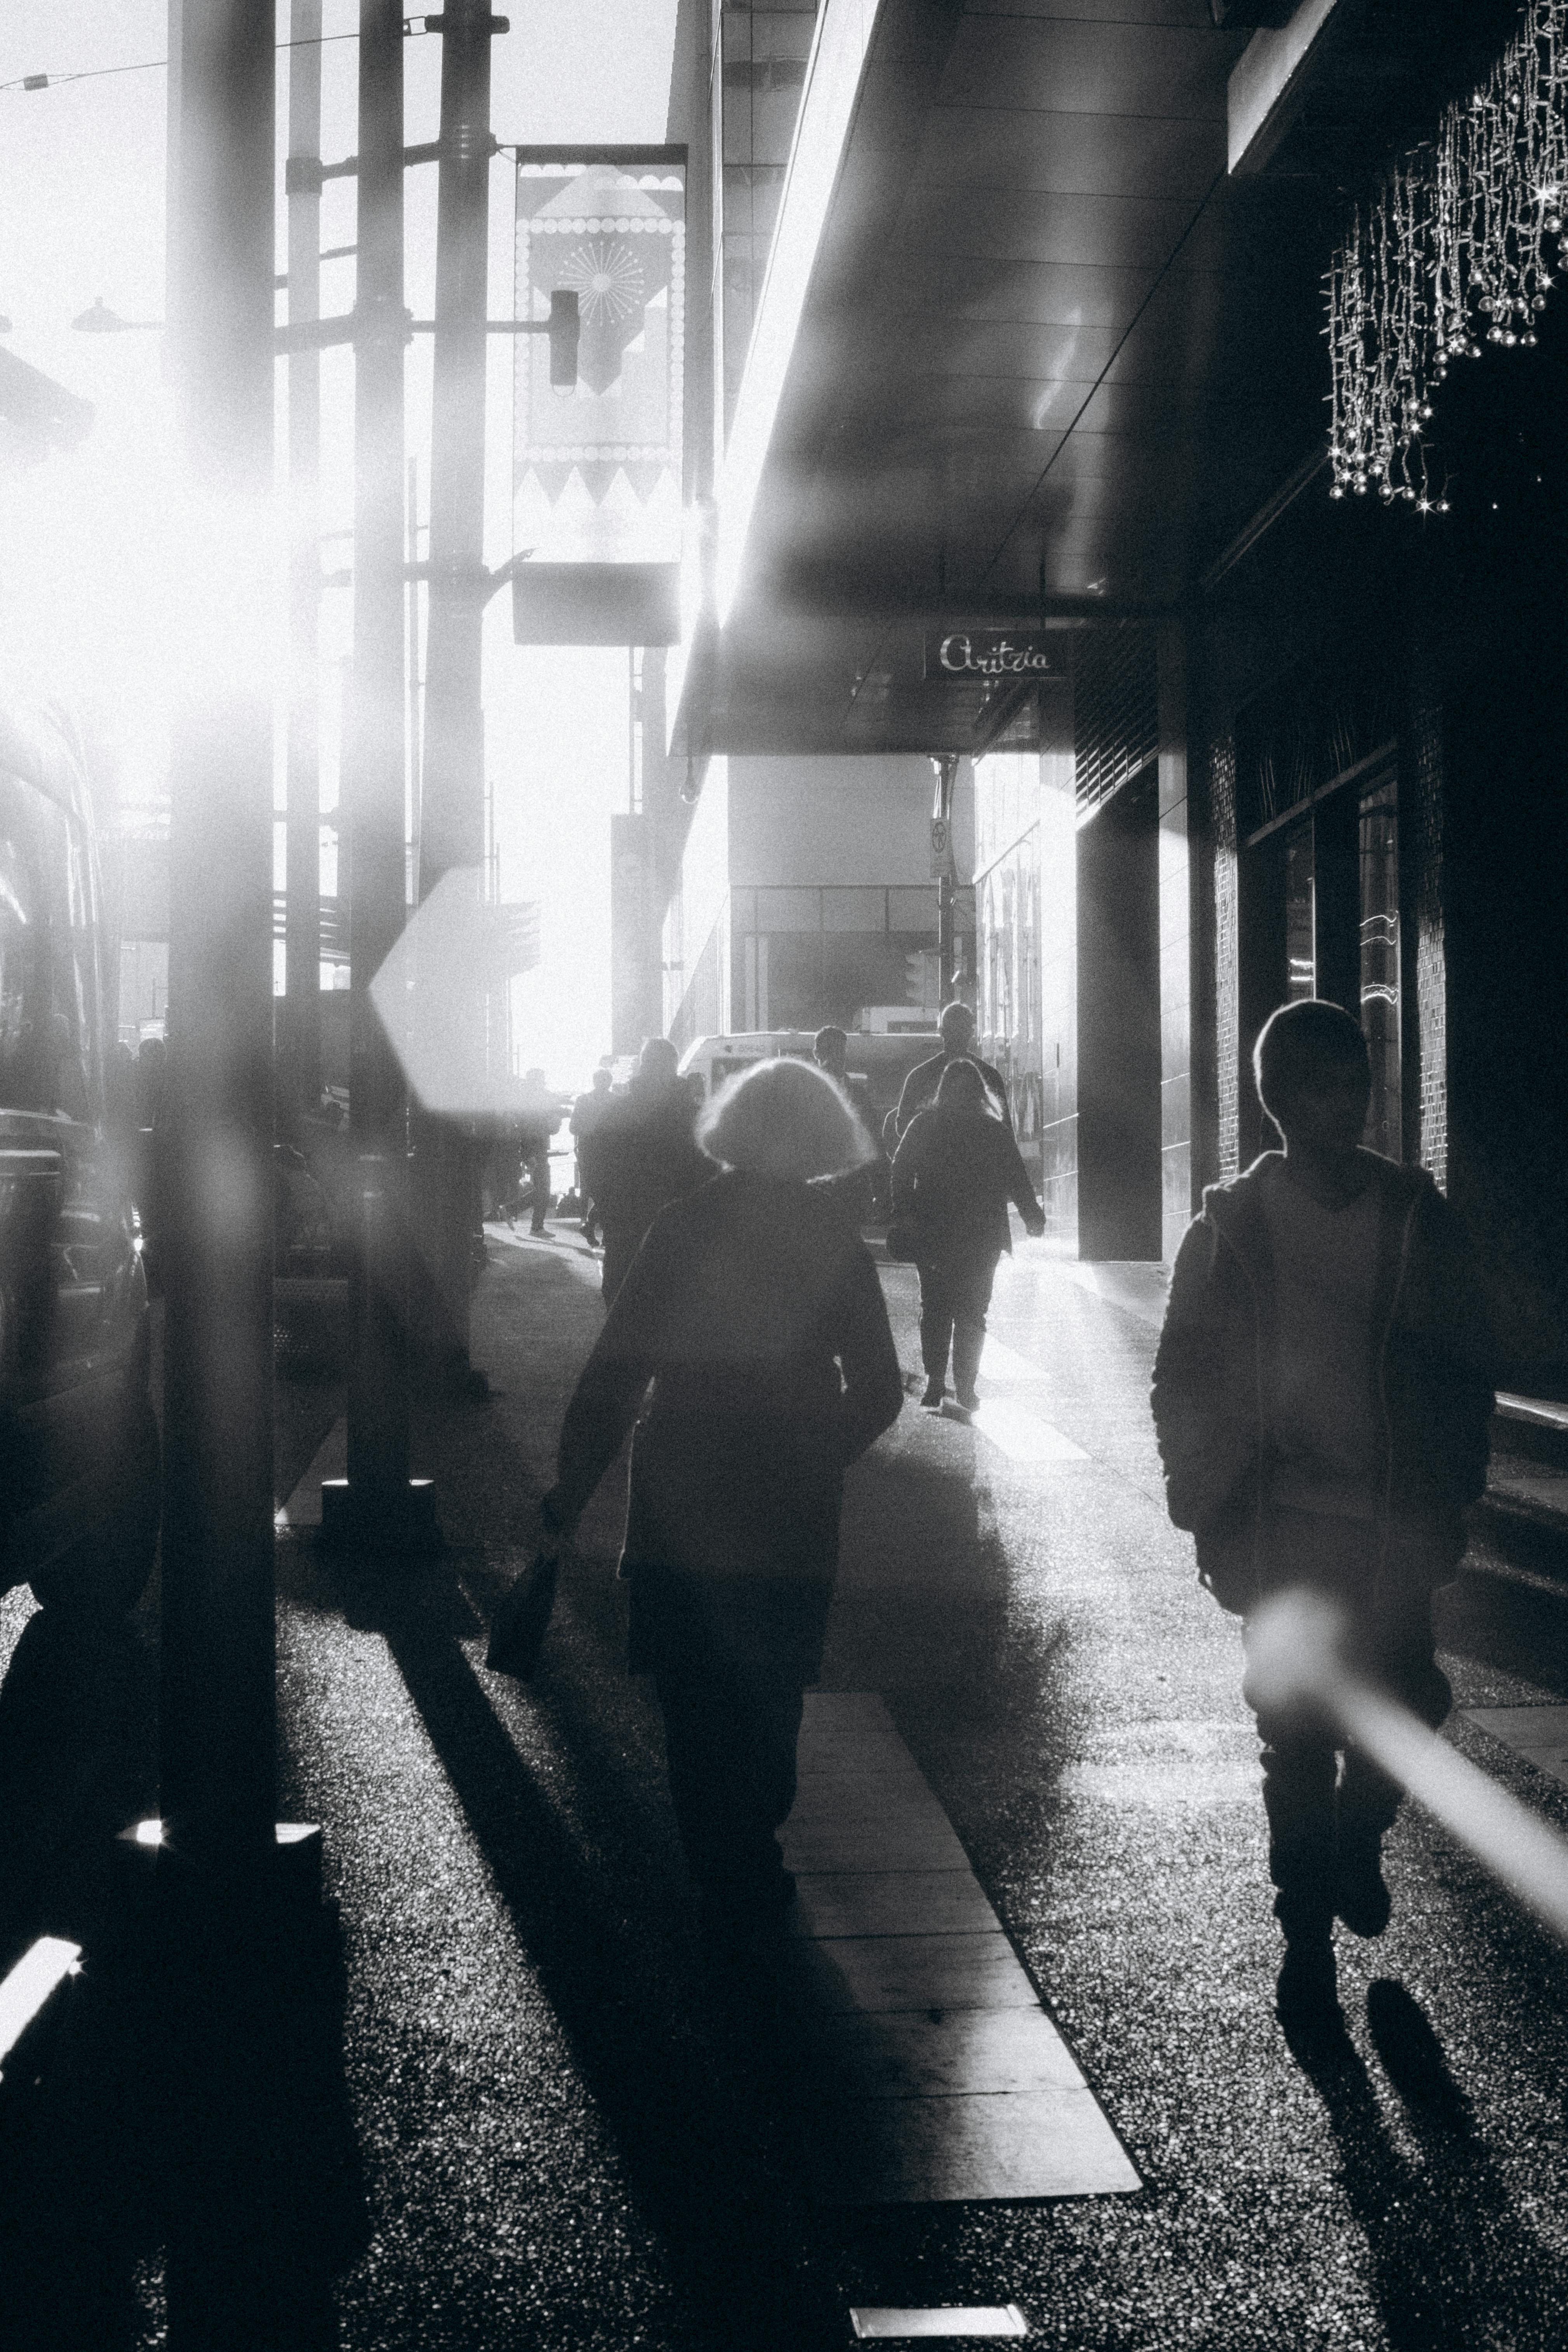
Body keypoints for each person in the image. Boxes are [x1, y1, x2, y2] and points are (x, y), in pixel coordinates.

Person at [1151, 1000, 1493, 2032]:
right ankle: (1301, 1935)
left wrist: (1456, 1487)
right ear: (1276, 1102)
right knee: (1293, 1735)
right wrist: (1196, 1496)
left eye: (1351, 1085)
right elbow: (1181, 1372)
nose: (1341, 1105)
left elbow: (1459, 1358)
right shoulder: (1229, 1224)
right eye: (1317, 1088)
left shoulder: (1409, 1212)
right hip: (1279, 1522)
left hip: (1389, 1520)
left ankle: (1355, 1835)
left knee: (1412, 1703)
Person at [528, 1057, 903, 1962]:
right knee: (771, 1689)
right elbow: (883, 1388)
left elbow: (615, 1372)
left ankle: (719, 1871)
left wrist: (568, 1494)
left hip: (682, 1482)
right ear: (826, 1136)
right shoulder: (832, 1237)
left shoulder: (679, 1226)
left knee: (692, 1698)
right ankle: (753, 1848)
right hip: (788, 1495)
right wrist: (821, 1448)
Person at [890, 1057, 1045, 1412]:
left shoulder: (925, 1124)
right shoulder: (992, 1129)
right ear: (981, 1093)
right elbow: (1016, 1176)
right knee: (972, 1310)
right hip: (981, 1234)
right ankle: (964, 1386)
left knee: (936, 1308)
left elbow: (900, 1170)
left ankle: (937, 1382)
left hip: (935, 1231)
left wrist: (906, 1211)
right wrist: (1031, 1215)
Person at [581, 1037, 710, 1305]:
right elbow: (710, 1171)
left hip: (626, 1221)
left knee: (622, 1299)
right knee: (675, 1306)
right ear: (674, 1066)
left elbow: (593, 1161)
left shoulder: (618, 1112)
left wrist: (606, 1204)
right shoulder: (696, 1117)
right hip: (682, 1226)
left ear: (643, 1066)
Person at [893, 999, 1012, 1137]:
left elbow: (902, 1128)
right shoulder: (990, 1076)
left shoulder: (919, 1076)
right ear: (971, 1033)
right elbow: (1006, 1131)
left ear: (941, 1031)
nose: (957, 1035)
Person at [811, 1026, 877, 1222]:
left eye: (840, 1049)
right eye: (830, 1049)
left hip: (851, 1189)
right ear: (817, 1054)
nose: (837, 1055)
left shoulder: (858, 1095)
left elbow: (873, 1142)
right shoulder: (806, 1092)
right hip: (817, 1188)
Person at [570, 1063, 615, 1246]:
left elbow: (573, 1128)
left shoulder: (583, 1101)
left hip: (589, 1152)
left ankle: (590, 1226)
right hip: (606, 1153)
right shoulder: (616, 1101)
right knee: (607, 1193)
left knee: (595, 1191)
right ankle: (598, 1228)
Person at [516, 1067, 564, 1237]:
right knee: (544, 1187)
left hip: (532, 1149)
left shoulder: (524, 1099)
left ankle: (529, 1221)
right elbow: (549, 1128)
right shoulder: (539, 1100)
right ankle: (535, 1226)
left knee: (542, 1188)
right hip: (536, 1148)